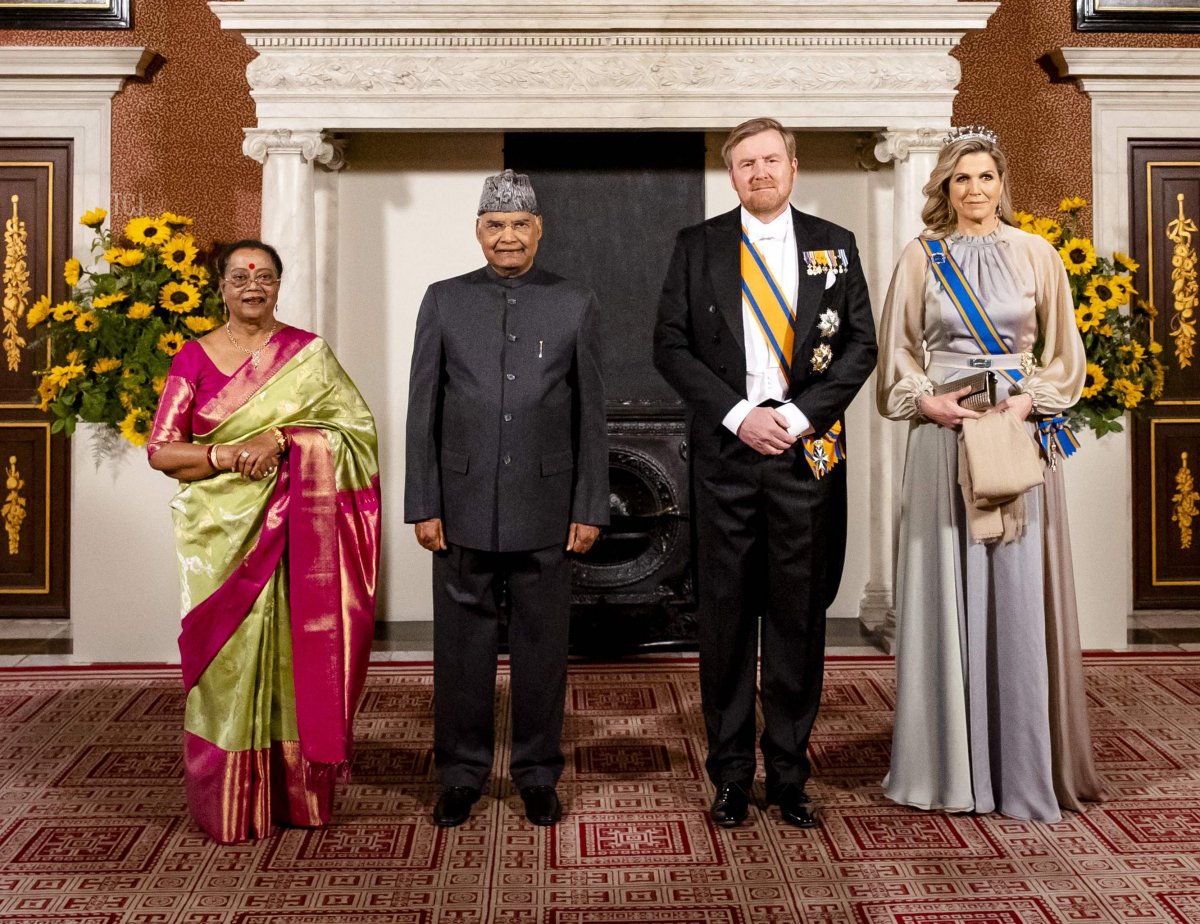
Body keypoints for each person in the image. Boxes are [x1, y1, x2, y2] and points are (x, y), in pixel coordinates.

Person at [653, 118, 877, 828]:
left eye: (771, 159)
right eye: (746, 162)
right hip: (726, 455)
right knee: (724, 624)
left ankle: (788, 774)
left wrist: (801, 416)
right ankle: (729, 775)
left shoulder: (835, 244)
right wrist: (737, 415)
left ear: (793, 167)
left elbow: (861, 347)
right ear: (731, 175)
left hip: (803, 455)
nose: (760, 172)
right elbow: (670, 345)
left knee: (796, 621)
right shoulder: (697, 245)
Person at [876, 127, 1104, 821]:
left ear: (1002, 183)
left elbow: (1066, 354)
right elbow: (897, 355)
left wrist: (1033, 399)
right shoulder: (920, 256)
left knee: (1017, 586)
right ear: (945, 188)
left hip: (1015, 432)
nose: (975, 189)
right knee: (945, 583)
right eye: (962, 179)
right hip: (945, 436)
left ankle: (1020, 764)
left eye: (985, 177)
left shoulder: (1038, 254)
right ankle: (947, 765)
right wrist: (928, 403)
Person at [148, 239, 380, 844]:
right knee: (226, 668)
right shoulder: (193, 357)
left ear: (278, 284)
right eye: (239, 277)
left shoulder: (309, 354)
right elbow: (161, 450)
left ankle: (297, 795)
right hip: (220, 539)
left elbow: (356, 433)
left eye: (266, 276)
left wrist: (281, 440)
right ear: (220, 287)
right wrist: (225, 454)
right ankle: (231, 802)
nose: (253, 286)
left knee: (295, 659)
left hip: (302, 537)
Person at [405, 169, 608, 828]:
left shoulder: (575, 300)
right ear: (478, 231)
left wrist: (589, 505)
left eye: (520, 224)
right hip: (459, 506)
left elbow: (592, 414)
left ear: (539, 229)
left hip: (547, 507)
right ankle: (461, 773)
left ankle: (537, 772)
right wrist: (423, 502)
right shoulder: (443, 300)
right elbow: (422, 408)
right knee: (460, 651)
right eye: (495, 225)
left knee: (542, 650)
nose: (508, 236)